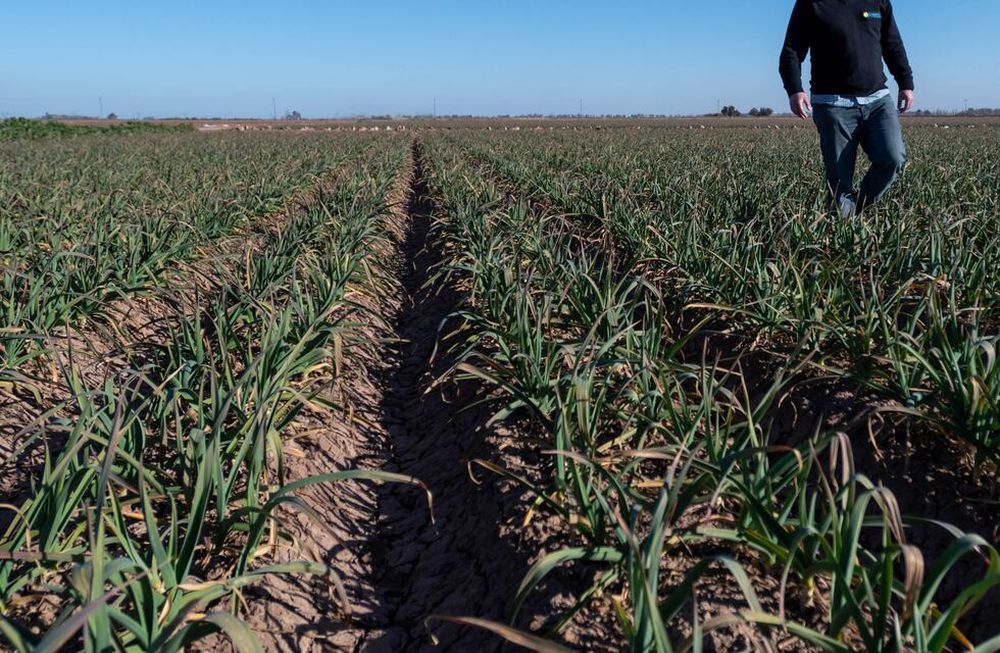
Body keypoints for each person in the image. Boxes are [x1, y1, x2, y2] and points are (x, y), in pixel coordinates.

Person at [779, 1, 915, 217]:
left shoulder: (878, 1)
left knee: (893, 157)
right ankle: (843, 234)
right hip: (833, 104)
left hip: (877, 99)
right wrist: (794, 89)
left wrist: (905, 82)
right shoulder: (811, 3)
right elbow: (792, 49)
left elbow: (892, 43)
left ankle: (860, 209)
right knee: (840, 182)